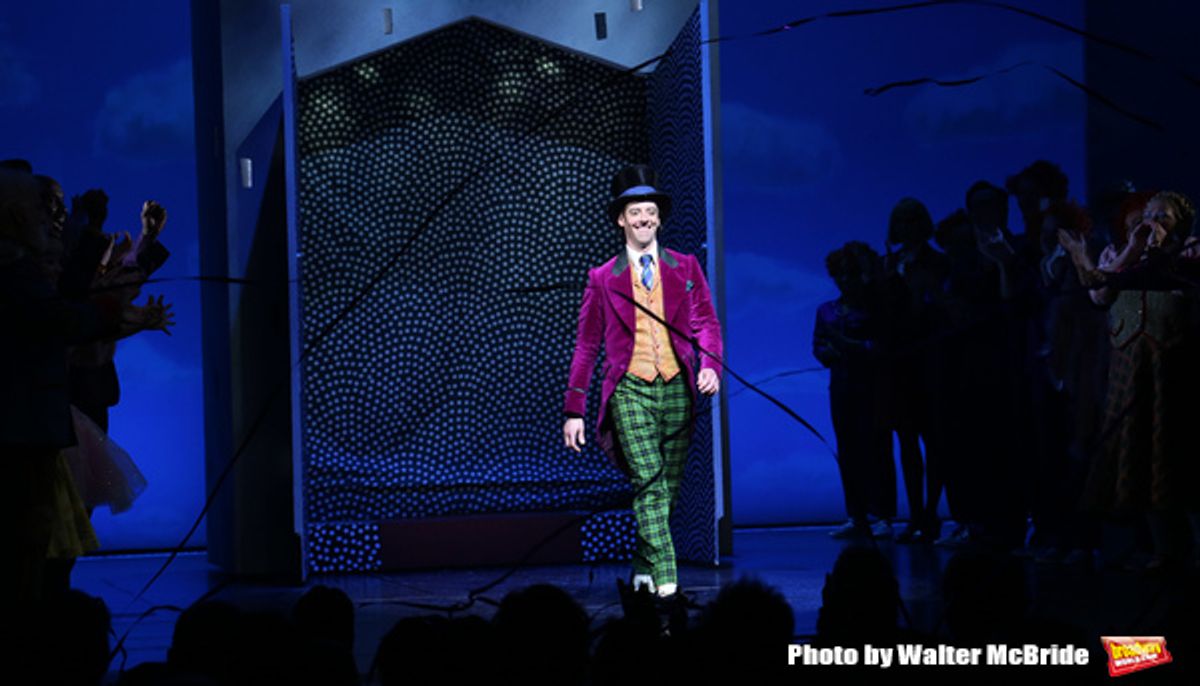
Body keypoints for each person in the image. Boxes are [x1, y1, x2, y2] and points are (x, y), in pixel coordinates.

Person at [562, 165, 722, 599]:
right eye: (635, 212)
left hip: (677, 388)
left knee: (666, 491)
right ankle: (668, 584)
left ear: (659, 217)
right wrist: (574, 409)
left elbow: (706, 323)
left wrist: (710, 365)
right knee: (649, 482)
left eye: (650, 211)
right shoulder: (602, 278)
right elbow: (586, 346)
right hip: (629, 389)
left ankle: (642, 566)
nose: (644, 219)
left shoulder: (685, 267)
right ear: (621, 219)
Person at [1061, 190, 1200, 569]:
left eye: (1163, 215)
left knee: (1176, 455)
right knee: (1138, 455)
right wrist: (1128, 250)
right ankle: (1159, 549)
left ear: (1180, 223)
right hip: (1130, 365)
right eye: (1147, 214)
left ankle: (1188, 549)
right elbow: (1099, 292)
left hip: (1173, 367)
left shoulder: (1189, 252)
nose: (1151, 221)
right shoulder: (1119, 254)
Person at [813, 241, 895, 539]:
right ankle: (856, 514)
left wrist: (850, 346)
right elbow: (818, 346)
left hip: (873, 386)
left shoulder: (876, 310)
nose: (845, 280)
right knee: (848, 450)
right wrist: (829, 352)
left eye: (851, 273)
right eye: (840, 274)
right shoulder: (827, 311)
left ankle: (882, 514)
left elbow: (882, 346)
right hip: (841, 387)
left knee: (877, 447)